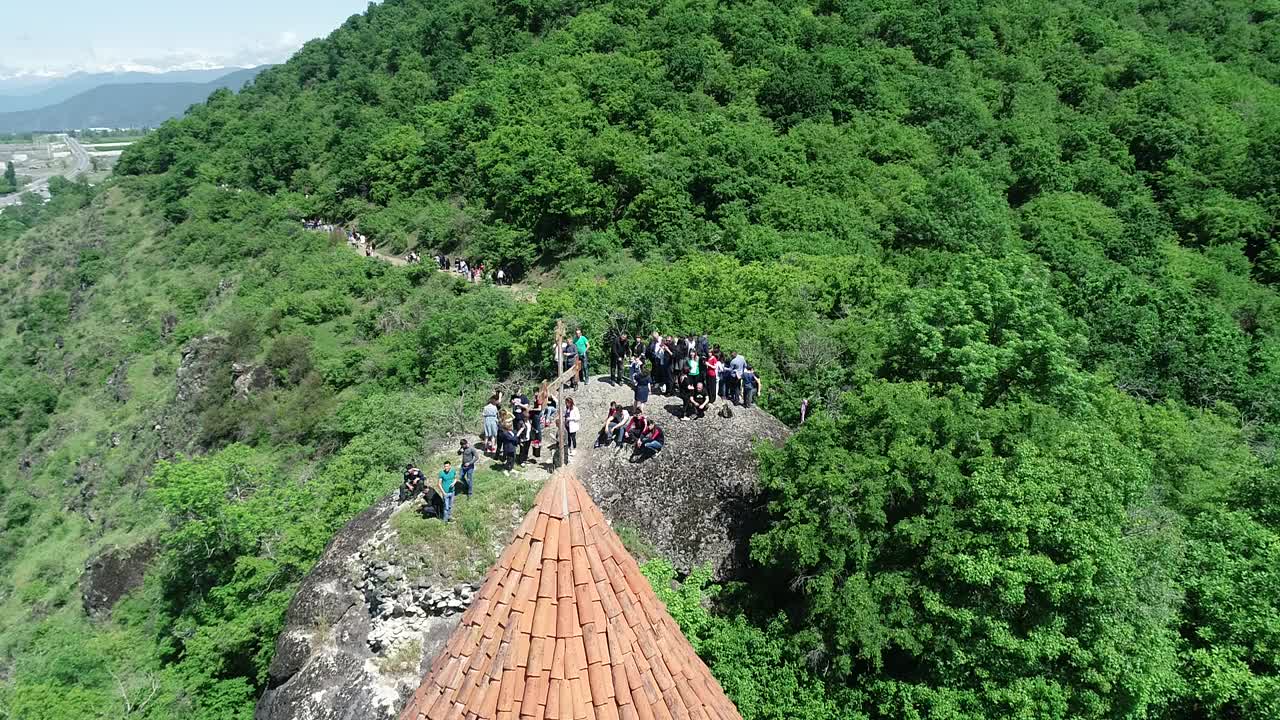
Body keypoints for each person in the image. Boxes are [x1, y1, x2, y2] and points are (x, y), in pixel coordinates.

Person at [564, 397, 580, 462]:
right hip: (567, 425)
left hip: (573, 425)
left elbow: (578, 417)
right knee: (568, 437)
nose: (566, 404)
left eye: (567, 403)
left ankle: (574, 449)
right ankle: (569, 448)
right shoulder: (566, 409)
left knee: (573, 437)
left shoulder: (575, 409)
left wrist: (570, 418)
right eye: (566, 403)